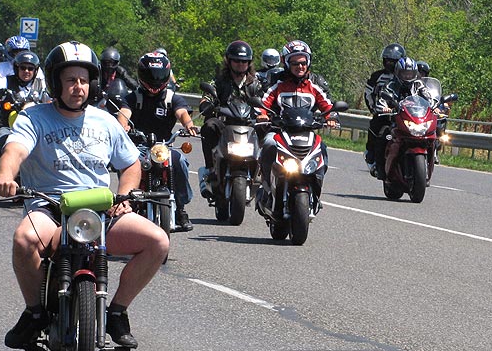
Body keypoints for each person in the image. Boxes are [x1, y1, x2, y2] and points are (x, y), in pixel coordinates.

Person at [0, 41, 169, 350]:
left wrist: (124, 195)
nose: (78, 87)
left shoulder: (106, 122)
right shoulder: (33, 118)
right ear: (55, 82)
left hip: (100, 210)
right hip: (49, 208)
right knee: (23, 240)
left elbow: (129, 163)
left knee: (158, 241)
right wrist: (6, 176)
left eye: (84, 80)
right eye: (71, 80)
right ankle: (35, 313)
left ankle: (117, 312)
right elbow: (14, 150)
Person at [117, 51, 197, 232]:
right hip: (138, 146)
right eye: (151, 76)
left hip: (162, 146)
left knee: (179, 161)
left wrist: (188, 125)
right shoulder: (133, 98)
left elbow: (182, 113)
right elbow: (124, 113)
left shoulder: (171, 98)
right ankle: (126, 203)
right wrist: (122, 126)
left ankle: (181, 207)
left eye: (159, 76)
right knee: (129, 163)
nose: (155, 80)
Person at [256, 40, 335, 198]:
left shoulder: (315, 83)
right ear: (286, 63)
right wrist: (262, 114)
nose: (300, 67)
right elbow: (263, 102)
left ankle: (315, 190)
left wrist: (331, 117)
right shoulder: (276, 82)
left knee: (322, 149)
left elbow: (328, 105)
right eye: (295, 63)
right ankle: (266, 185)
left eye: (303, 62)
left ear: (308, 62)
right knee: (269, 144)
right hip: (280, 131)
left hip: (307, 132)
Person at [199, 40, 261, 173]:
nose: (240, 64)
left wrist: (264, 115)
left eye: (244, 61)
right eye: (236, 61)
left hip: (249, 125)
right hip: (225, 125)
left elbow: (265, 102)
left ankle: (264, 173)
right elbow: (207, 97)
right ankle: (210, 168)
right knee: (209, 126)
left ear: (249, 63)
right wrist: (206, 105)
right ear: (229, 61)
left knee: (270, 133)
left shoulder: (256, 84)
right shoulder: (219, 81)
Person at [363, 43, 406, 179]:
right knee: (376, 129)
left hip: (403, 113)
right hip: (383, 113)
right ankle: (372, 157)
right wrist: (374, 108)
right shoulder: (377, 76)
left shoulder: (406, 76)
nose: (389, 64)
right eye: (387, 60)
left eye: (393, 61)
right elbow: (368, 93)